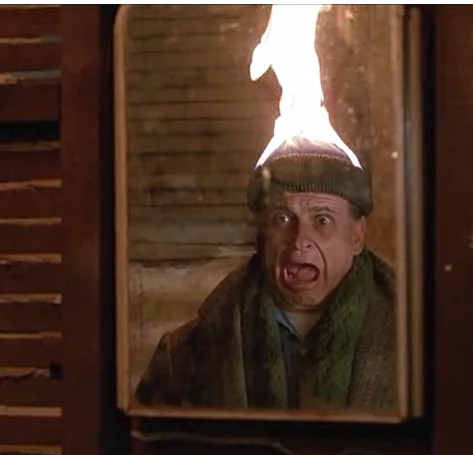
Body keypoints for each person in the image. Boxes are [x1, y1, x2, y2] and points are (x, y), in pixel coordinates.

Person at [135, 138, 397, 412]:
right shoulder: (184, 356)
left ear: (356, 236)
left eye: (322, 220)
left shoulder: (414, 345)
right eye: (282, 218)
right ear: (260, 235)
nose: (300, 241)